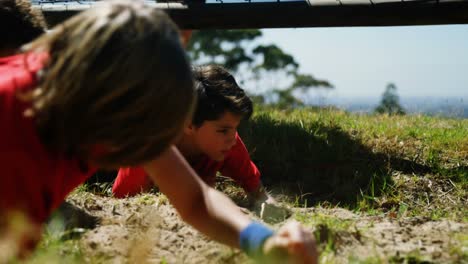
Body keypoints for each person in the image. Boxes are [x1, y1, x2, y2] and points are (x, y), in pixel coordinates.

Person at [0, 1, 317, 263]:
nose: (155, 138)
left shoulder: (104, 106)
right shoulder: (13, 125)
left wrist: (264, 242)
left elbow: (195, 200)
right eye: (149, 117)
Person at [112, 65, 276, 208]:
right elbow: (122, 197)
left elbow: (258, 192)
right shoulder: (150, 146)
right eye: (223, 130)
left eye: (235, 128)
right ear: (189, 124)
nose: (233, 139)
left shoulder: (228, 143)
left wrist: (268, 205)